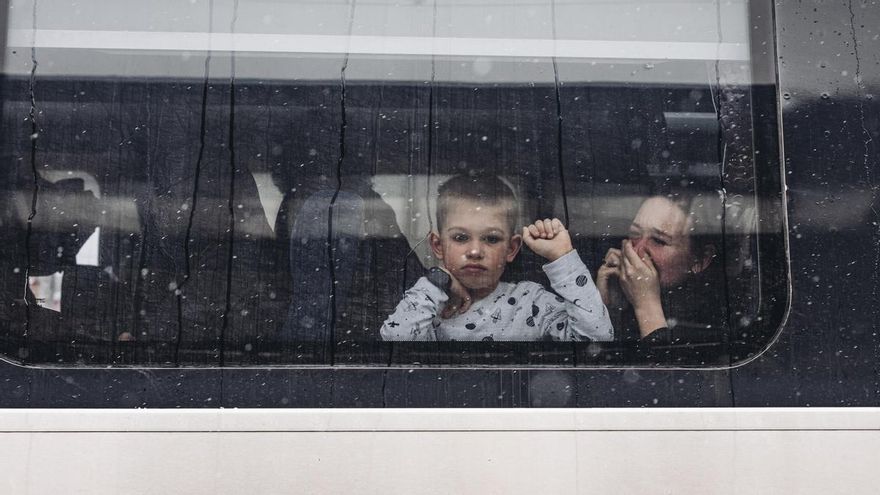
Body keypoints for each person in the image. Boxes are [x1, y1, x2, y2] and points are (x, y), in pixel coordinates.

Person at [380, 174, 613, 342]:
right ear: (438, 245)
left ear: (511, 249)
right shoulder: (427, 303)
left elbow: (595, 340)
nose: (474, 251)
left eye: (491, 239)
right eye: (461, 237)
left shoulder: (530, 301)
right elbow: (394, 340)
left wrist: (562, 259)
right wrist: (438, 282)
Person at [596, 189, 727, 347]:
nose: (637, 251)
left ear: (700, 260)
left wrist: (646, 306)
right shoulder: (625, 297)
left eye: (659, 241)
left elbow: (666, 369)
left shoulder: (717, 320)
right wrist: (608, 310)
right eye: (635, 233)